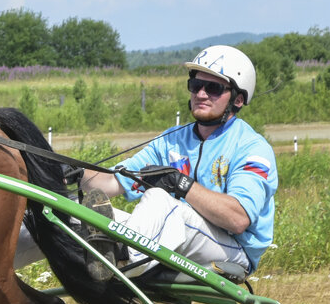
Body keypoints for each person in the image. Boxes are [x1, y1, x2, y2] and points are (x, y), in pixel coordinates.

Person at [79, 44, 278, 280]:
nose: (201, 94)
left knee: (161, 200)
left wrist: (181, 185)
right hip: (177, 234)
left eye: (213, 88)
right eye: (196, 85)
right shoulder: (171, 140)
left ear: (238, 99)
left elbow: (238, 219)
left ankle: (119, 258)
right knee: (72, 208)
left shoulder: (252, 148)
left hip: (232, 250)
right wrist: (64, 172)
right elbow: (113, 182)